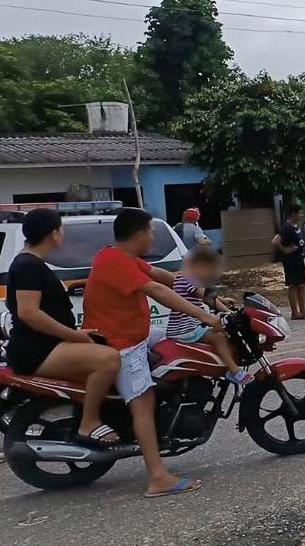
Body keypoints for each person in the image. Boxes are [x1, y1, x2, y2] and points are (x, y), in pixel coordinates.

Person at [82, 207, 209, 498]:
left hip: (136, 335)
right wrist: (203, 316)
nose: (153, 236)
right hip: (121, 343)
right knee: (143, 401)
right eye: (151, 231)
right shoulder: (115, 262)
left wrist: (204, 293)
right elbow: (158, 291)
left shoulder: (120, 257)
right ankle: (157, 477)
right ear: (139, 234)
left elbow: (163, 276)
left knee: (178, 342)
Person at [5, 208, 122, 448]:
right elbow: (29, 312)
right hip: (36, 349)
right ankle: (88, 423)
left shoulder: (30, 262)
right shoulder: (29, 265)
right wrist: (74, 335)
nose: (63, 234)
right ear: (53, 234)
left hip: (46, 344)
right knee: (108, 360)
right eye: (61, 229)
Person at [166, 247, 253, 385]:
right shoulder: (193, 279)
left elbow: (206, 296)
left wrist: (222, 300)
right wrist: (228, 312)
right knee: (218, 336)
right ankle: (234, 371)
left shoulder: (182, 277)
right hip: (186, 327)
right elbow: (206, 297)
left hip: (179, 327)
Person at [272, 205, 305, 320]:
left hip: (299, 259)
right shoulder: (286, 228)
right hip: (291, 260)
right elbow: (275, 241)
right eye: (300, 213)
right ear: (293, 214)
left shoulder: (296, 226)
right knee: (293, 285)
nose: (301, 215)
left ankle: (303, 309)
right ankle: (295, 312)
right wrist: (285, 250)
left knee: (302, 284)